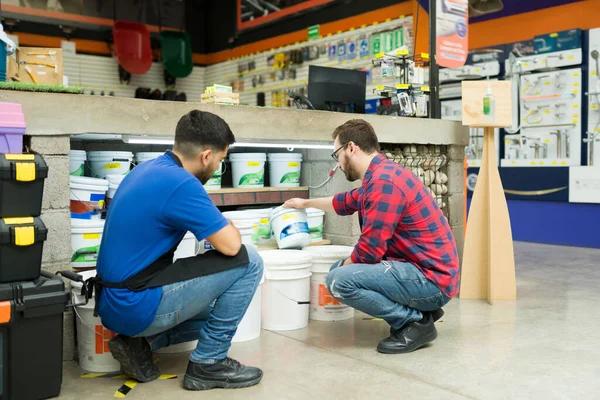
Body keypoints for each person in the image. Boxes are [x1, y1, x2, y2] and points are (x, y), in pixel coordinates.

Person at [94, 110, 264, 391]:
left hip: (113, 303)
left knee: (222, 310)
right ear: (206, 156)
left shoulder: (146, 170)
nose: (217, 168)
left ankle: (143, 343)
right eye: (220, 161)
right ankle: (208, 364)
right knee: (251, 261)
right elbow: (232, 245)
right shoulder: (183, 184)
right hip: (136, 303)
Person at [284, 119, 460, 354]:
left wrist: (337, 271)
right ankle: (422, 311)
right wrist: (304, 203)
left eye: (337, 154)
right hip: (426, 271)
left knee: (339, 280)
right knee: (341, 271)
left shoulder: (383, 183)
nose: (338, 163)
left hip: (432, 280)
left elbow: (369, 252)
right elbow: (344, 202)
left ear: (351, 148)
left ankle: (413, 322)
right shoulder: (381, 174)